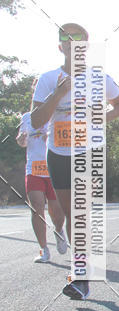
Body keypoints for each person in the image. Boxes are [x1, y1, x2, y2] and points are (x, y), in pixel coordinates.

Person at [30, 23, 119, 299]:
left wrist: (100, 118)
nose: (73, 44)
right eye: (67, 40)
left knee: (80, 213)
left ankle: (80, 278)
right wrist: (58, 95)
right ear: (61, 47)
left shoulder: (99, 79)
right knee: (71, 214)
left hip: (88, 152)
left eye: (79, 40)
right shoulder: (49, 79)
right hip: (58, 154)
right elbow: (37, 121)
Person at [16, 110, 68, 263]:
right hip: (33, 170)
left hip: (54, 169)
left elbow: (68, 141)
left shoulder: (58, 114)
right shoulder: (27, 117)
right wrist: (22, 139)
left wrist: (52, 138)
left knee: (58, 214)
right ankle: (44, 249)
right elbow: (22, 142)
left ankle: (59, 230)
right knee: (36, 207)